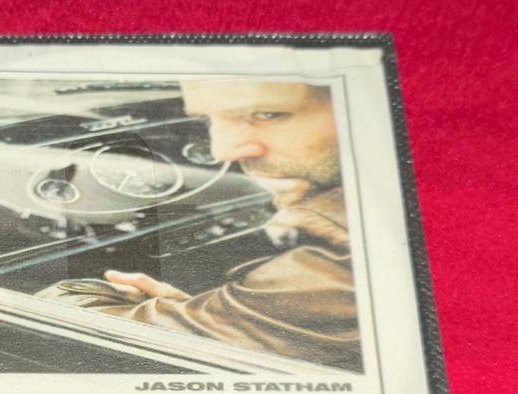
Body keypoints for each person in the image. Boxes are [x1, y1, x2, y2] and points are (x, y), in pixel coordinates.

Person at [40, 80, 362, 372]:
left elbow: (60, 315)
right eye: (208, 120)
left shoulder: (330, 262)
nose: (222, 151)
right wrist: (199, 313)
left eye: (268, 115)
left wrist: (87, 292)